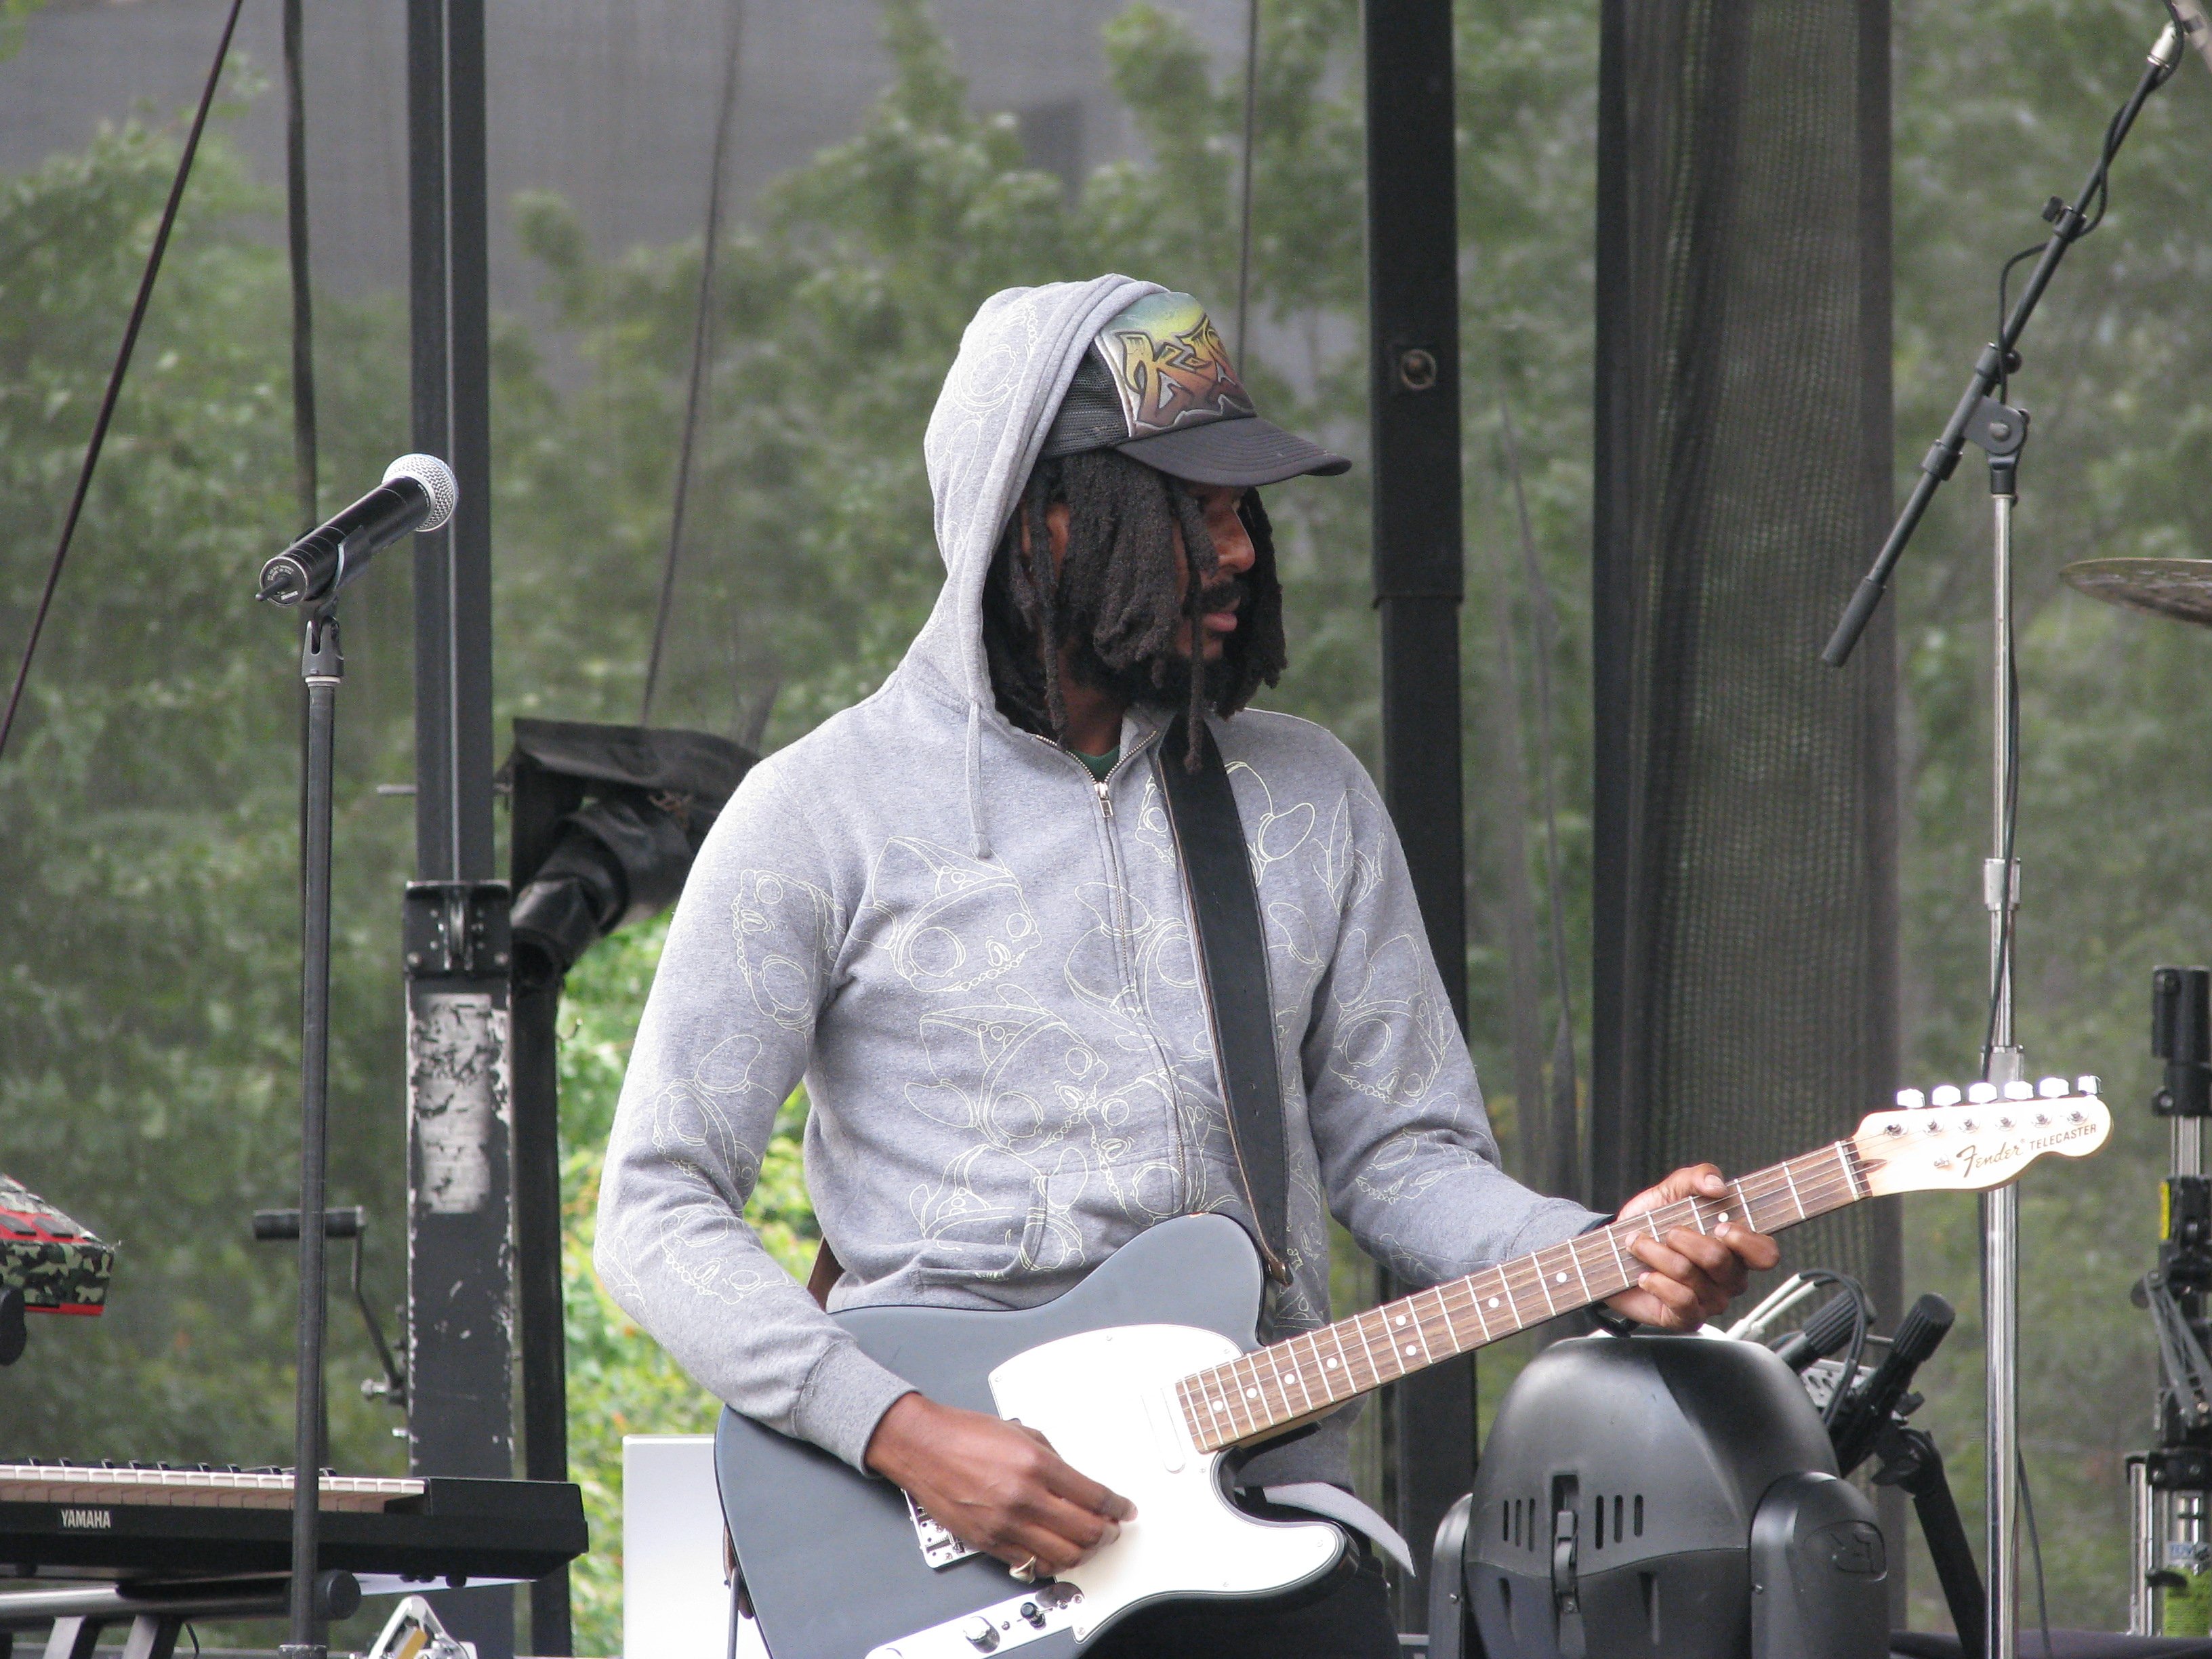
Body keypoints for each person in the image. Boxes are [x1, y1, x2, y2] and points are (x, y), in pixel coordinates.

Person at [595, 276, 1779, 1656]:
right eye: (1188, 509)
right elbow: (656, 1210)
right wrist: (903, 1432)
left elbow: (1405, 1157)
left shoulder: (1304, 795)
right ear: (1038, 518)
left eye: (1241, 509)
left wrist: (1592, 1255)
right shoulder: (821, 811)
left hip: (1264, 1516)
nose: (1235, 552)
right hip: (936, 1557)